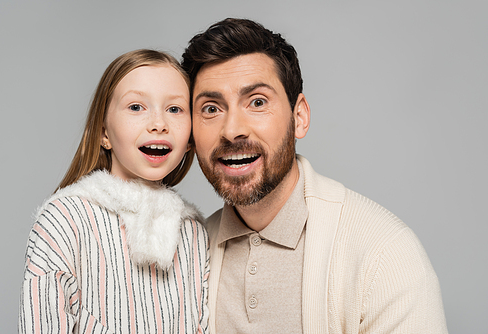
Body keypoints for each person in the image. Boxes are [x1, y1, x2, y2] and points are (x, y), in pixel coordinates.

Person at [182, 18, 448, 333]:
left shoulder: (384, 254)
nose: (232, 130)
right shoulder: (188, 255)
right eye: (211, 109)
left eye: (257, 102)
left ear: (300, 117)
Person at [19, 49, 209, 333]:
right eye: (136, 107)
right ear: (103, 132)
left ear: (191, 138)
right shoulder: (65, 220)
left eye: (174, 109)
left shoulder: (195, 233)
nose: (159, 124)